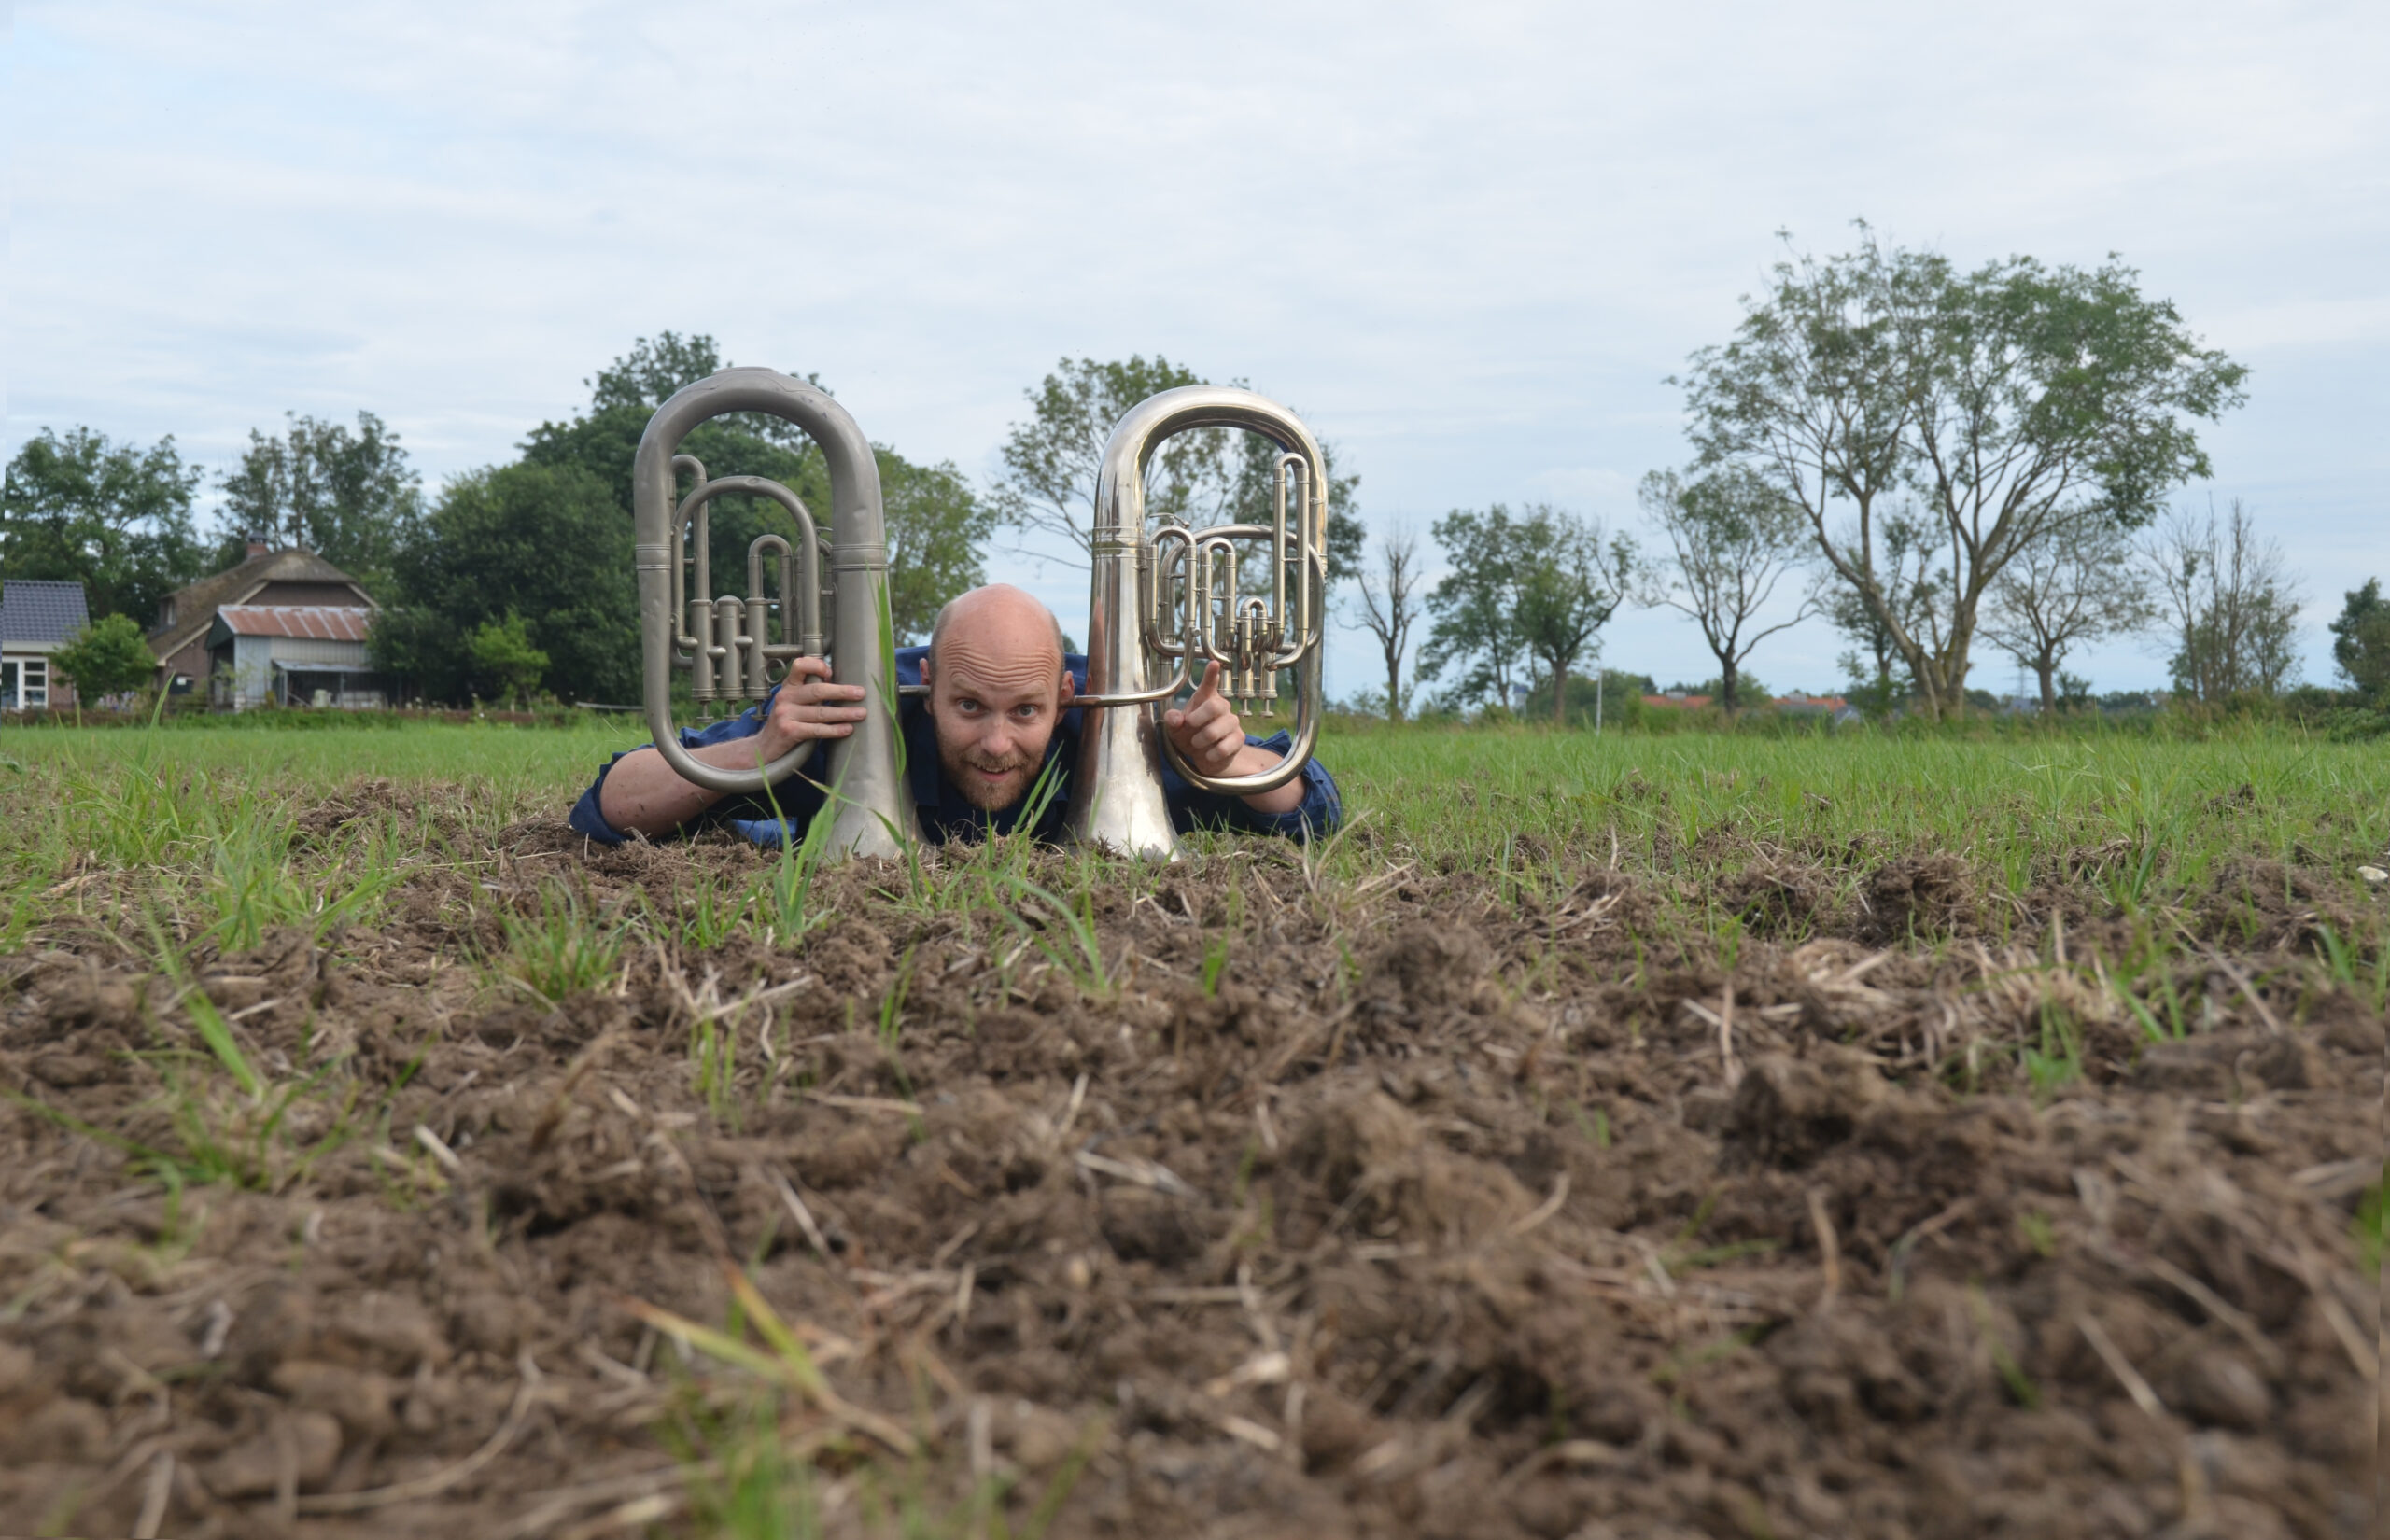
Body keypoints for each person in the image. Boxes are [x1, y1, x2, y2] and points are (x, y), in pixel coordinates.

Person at [570, 583, 1339, 847]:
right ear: (928, 684)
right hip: (808, 823)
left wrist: (1224, 761)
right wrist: (762, 751)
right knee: (760, 832)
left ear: (1065, 696)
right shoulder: (865, 705)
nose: (998, 742)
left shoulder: (1112, 722)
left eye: (1027, 711)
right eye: (968, 706)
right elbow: (605, 807)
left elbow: (1311, 811)